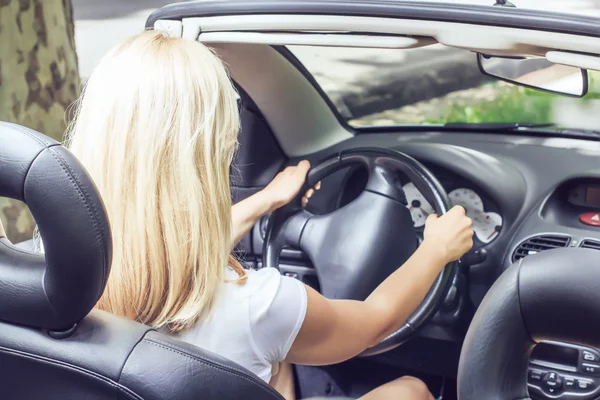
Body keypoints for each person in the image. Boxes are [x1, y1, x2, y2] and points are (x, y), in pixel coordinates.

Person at [32, 30, 473, 400]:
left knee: (277, 363)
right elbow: (376, 323)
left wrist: (266, 201)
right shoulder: (257, 307)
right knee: (411, 389)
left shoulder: (41, 272)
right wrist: (436, 249)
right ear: (213, 154)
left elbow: (166, 250)